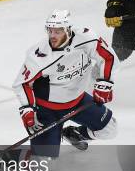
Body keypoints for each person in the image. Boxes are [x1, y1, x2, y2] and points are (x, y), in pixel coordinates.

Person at [12, 10, 119, 157]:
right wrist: (27, 109)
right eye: (50, 31)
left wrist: (105, 83)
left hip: (78, 101)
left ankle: (75, 134)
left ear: (68, 30)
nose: (52, 36)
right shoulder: (39, 57)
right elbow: (22, 84)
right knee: (41, 165)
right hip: (47, 111)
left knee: (109, 130)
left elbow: (108, 57)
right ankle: (0, 157)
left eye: (57, 31)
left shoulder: (86, 38)